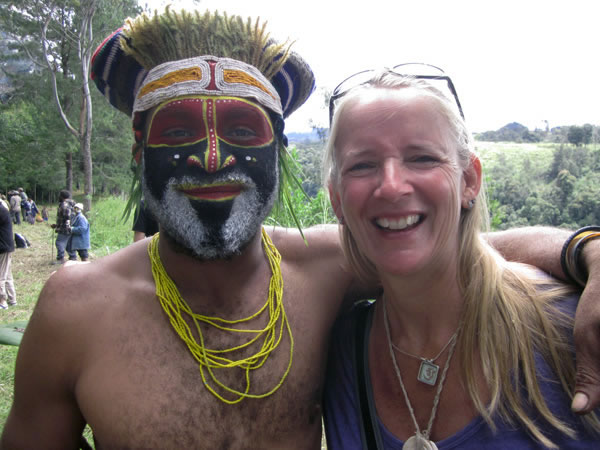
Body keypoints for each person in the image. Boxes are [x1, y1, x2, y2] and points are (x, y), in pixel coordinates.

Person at [2, 9, 600, 449]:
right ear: (139, 151)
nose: (213, 159)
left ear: (280, 151)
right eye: (179, 132)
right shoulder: (76, 309)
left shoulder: (323, 269)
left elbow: (454, 247)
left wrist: (587, 250)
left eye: (242, 133)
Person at [322, 67, 600, 448]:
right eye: (362, 165)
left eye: (421, 158)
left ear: (469, 180)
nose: (391, 185)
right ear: (337, 199)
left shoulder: (570, 330)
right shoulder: (341, 351)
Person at [51, 189, 76, 264]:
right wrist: (57, 225)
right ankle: (73, 257)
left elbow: (66, 217)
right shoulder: (72, 204)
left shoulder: (64, 205)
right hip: (71, 227)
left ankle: (60, 258)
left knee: (59, 242)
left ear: (62, 196)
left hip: (65, 228)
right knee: (68, 243)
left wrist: (62, 225)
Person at [0, 201, 17, 309]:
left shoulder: (1, 211)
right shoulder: (3, 210)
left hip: (3, 247)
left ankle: (2, 301)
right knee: (7, 275)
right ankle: (12, 299)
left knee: (0, 275)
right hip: (7, 246)